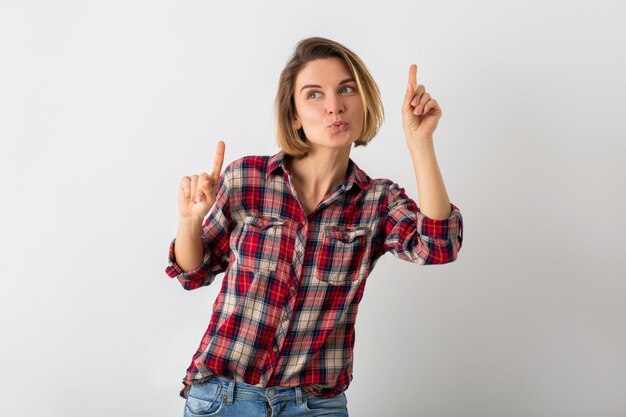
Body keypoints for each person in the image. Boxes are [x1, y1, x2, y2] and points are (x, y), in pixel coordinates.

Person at [166, 37, 464, 417]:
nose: (334, 106)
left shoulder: (377, 202)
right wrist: (190, 221)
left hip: (313, 407)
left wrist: (420, 143)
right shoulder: (246, 178)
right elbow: (193, 272)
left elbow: (438, 247)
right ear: (293, 116)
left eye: (346, 89)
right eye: (313, 95)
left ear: (364, 102)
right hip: (223, 399)